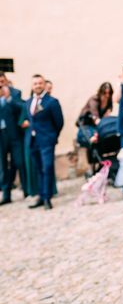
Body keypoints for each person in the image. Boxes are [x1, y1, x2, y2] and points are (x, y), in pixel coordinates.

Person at [26, 74, 64, 210]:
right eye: (35, 83)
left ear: (44, 84)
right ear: (32, 86)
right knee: (38, 169)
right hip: (33, 141)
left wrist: (53, 136)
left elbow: (59, 122)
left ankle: (47, 198)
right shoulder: (28, 101)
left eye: (40, 83)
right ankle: (41, 197)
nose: (37, 85)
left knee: (47, 168)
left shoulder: (52, 102)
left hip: (47, 140)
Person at [0, 72, 26, 204]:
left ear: (6, 81)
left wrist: (8, 99)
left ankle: (26, 190)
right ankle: (6, 195)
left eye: (2, 81)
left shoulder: (15, 93)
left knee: (20, 162)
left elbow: (22, 108)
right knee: (2, 166)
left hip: (15, 135)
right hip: (1, 136)